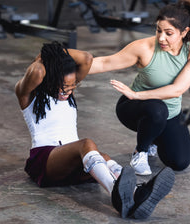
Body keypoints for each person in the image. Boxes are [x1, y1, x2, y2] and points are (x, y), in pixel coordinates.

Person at [15, 41, 175, 219]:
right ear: (50, 79)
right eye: (63, 87)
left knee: (104, 158)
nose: (67, 91)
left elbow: (86, 58)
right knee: (87, 144)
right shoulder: (29, 96)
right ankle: (116, 194)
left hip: (71, 165)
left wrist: (59, 54)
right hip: (45, 162)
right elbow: (37, 71)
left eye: (72, 86)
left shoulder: (68, 93)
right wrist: (48, 54)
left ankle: (138, 194)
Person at [89, 0, 190, 176]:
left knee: (179, 162)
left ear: (184, 32)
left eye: (168, 33)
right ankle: (140, 152)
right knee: (157, 109)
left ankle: (152, 138)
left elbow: (177, 89)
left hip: (162, 109)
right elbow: (105, 62)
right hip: (133, 109)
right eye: (158, 30)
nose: (161, 38)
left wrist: (137, 94)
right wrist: (65, 69)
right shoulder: (144, 48)